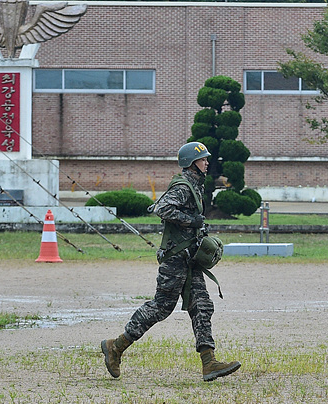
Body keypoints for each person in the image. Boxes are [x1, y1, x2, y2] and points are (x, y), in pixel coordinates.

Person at [101, 142, 240, 382]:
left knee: (202, 305)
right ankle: (116, 346)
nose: (207, 162)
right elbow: (162, 208)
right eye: (203, 159)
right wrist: (191, 221)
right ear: (191, 163)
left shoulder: (195, 185)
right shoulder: (183, 186)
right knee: (161, 307)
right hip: (175, 259)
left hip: (190, 259)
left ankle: (209, 363)